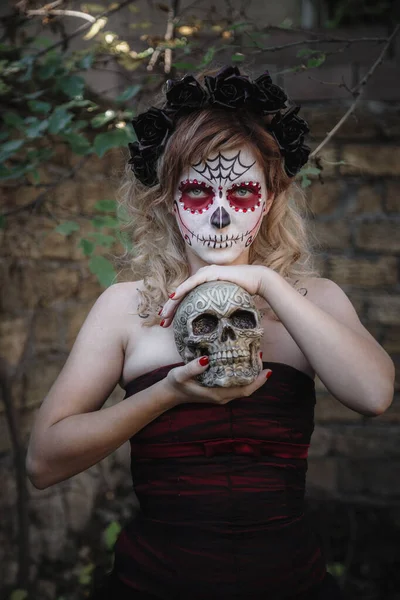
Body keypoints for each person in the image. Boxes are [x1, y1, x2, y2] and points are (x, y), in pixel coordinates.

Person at [26, 66, 395, 600]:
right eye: (198, 191)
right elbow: (42, 461)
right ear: (170, 202)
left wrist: (269, 283)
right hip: (153, 584)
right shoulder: (125, 309)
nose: (221, 215)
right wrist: (165, 394)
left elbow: (374, 394)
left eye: (243, 190)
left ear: (269, 199)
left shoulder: (313, 300)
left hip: (289, 583)